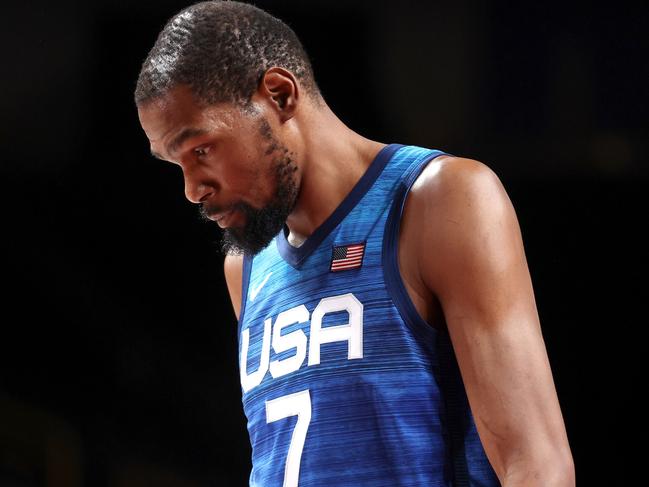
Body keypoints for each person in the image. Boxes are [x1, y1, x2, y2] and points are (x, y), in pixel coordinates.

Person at [134, 2, 575, 486]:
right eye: (176, 164)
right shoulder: (246, 266)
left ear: (279, 95)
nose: (192, 189)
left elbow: (537, 465)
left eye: (201, 149)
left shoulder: (437, 199)